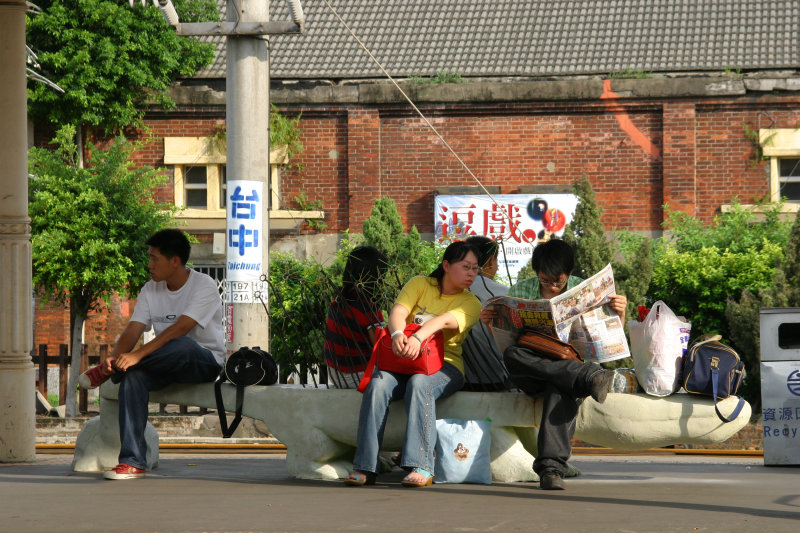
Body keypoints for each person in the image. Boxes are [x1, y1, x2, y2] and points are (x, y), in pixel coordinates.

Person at [78, 229, 225, 480]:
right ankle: (133, 461)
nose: (149, 265)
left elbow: (182, 328)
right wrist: (115, 358)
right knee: (133, 379)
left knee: (183, 344)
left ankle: (115, 372)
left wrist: (137, 357)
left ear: (174, 261)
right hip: (165, 364)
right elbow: (133, 329)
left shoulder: (204, 285)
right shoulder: (150, 289)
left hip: (202, 362)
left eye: (155, 258)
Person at [344, 241, 482, 487]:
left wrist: (418, 337)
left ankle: (422, 465)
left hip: (445, 366)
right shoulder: (420, 284)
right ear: (447, 266)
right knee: (377, 385)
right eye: (466, 266)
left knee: (420, 384)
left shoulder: (471, 302)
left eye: (475, 268)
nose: (471, 273)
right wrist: (398, 335)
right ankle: (365, 465)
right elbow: (397, 312)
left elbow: (442, 321)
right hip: (403, 360)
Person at [497, 238, 626, 490]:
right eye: (546, 281)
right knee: (513, 353)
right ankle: (588, 376)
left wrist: (619, 312)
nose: (553, 287)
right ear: (536, 273)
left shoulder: (584, 290)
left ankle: (550, 470)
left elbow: (608, 334)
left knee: (560, 385)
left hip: (569, 362)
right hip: (532, 367)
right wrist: (490, 320)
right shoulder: (520, 291)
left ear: (569, 273)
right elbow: (505, 340)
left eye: (559, 281)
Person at [323, 246, 388, 389]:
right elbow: (382, 347)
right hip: (355, 375)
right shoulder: (367, 305)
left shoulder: (340, 298)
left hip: (334, 373)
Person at [461, 236, 512, 391]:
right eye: (496, 262)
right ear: (491, 261)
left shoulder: (449, 289)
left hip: (457, 380)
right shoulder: (505, 294)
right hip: (498, 380)